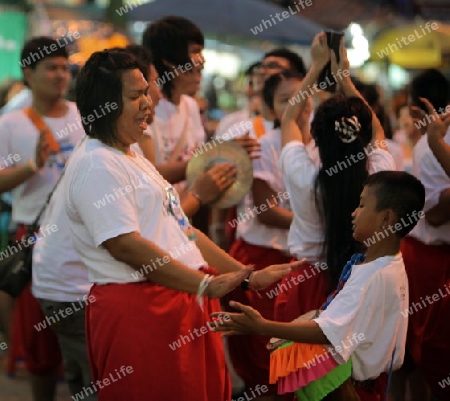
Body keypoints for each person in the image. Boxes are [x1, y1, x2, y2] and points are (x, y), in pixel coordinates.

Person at [64, 49, 295, 401]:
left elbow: (183, 228)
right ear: (106, 103)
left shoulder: (131, 153)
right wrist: (204, 284)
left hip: (179, 303)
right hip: (142, 311)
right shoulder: (97, 163)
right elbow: (125, 246)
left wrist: (246, 276)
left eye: (146, 91)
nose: (148, 103)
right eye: (135, 95)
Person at [211, 170, 426, 401]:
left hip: (353, 390)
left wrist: (262, 326)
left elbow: (327, 332)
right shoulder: (388, 264)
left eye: (362, 205)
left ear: (387, 218)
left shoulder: (375, 275)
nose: (354, 213)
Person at [273, 33, 395, 335]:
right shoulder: (378, 176)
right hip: (360, 281)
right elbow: (376, 128)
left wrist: (316, 68)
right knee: (355, 373)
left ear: (315, 138)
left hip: (305, 283)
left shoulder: (303, 176)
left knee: (303, 374)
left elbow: (289, 120)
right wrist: (345, 79)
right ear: (363, 137)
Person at [0, 36, 84, 401]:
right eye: (51, 68)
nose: (60, 75)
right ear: (28, 73)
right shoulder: (10, 123)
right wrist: (33, 165)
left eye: (65, 68)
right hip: (32, 235)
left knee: (86, 334)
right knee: (39, 339)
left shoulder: (85, 116)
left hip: (81, 236)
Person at [223, 70, 314, 401]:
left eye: (303, 97)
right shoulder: (264, 144)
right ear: (272, 108)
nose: (298, 106)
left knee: (297, 358)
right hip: (263, 262)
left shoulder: (317, 145)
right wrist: (319, 225)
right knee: (264, 362)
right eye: (286, 99)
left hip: (299, 262)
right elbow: (267, 210)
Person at [401, 69, 450, 401]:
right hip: (429, 258)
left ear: (418, 108)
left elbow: (434, 214)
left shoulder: (430, 144)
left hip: (433, 261)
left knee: (429, 350)